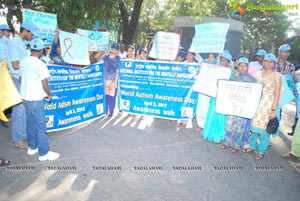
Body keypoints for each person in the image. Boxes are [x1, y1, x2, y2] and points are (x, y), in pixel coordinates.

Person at [19, 38, 60, 161]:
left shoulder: (23, 61)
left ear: (31, 48)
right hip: (36, 98)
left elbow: (21, 79)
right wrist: (49, 94)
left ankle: (32, 147)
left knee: (30, 123)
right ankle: (44, 153)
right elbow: (45, 84)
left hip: (25, 97)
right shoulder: (41, 64)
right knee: (41, 126)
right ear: (41, 50)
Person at [243, 53, 282, 160]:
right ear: (263, 62)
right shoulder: (257, 74)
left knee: (264, 130)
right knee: (254, 127)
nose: (268, 63)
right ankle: (252, 146)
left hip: (268, 107)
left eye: (271, 61)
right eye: (266, 61)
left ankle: (261, 151)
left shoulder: (277, 76)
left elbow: (277, 94)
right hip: (256, 105)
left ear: (274, 63)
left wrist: (274, 109)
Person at [7, 21, 39, 149]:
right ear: (25, 31)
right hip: (15, 78)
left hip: (22, 79)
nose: (32, 37)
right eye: (31, 34)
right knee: (19, 109)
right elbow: (15, 65)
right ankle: (17, 139)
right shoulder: (14, 43)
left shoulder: (22, 43)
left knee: (24, 108)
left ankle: (24, 135)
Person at [221, 58, 255, 152]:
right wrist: (234, 78)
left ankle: (236, 145)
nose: (242, 67)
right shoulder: (232, 75)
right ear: (237, 66)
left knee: (240, 127)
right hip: (232, 106)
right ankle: (227, 142)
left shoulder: (252, 79)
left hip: (243, 108)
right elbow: (227, 88)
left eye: (245, 65)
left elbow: (254, 93)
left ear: (248, 67)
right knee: (229, 125)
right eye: (240, 65)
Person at [202, 52, 232, 143]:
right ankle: (208, 133)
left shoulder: (230, 71)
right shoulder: (216, 69)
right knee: (211, 114)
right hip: (214, 95)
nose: (223, 61)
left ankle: (218, 136)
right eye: (222, 59)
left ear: (228, 62)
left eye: (225, 60)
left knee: (220, 116)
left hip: (224, 97)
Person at [275, 44, 298, 136]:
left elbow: (294, 81)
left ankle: (273, 130)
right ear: (279, 52)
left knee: (278, 112)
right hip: (272, 92)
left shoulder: (291, 66)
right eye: (284, 51)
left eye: (288, 52)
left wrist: (291, 76)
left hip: (284, 93)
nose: (286, 54)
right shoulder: (272, 62)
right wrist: (281, 74)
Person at [104, 43, 121, 117]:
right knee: (105, 96)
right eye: (113, 48)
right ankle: (105, 111)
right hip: (106, 79)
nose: (114, 50)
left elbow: (117, 70)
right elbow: (104, 68)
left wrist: (116, 81)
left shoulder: (118, 58)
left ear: (117, 50)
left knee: (112, 97)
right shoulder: (106, 57)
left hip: (113, 80)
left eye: (116, 49)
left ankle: (111, 112)